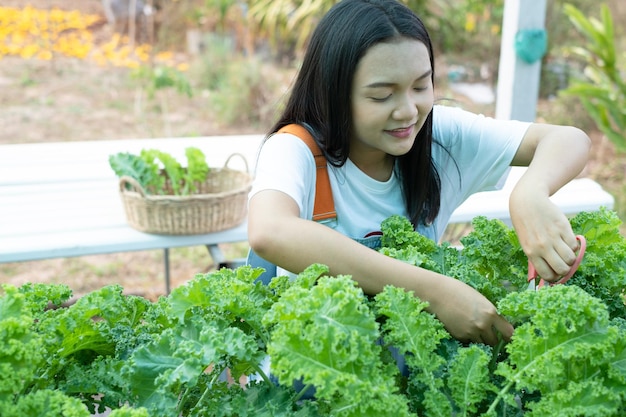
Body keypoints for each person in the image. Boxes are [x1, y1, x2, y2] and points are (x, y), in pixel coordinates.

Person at [247, 0, 591, 346]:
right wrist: (434, 292)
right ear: (333, 94)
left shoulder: (438, 136)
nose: (408, 111)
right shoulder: (295, 149)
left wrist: (530, 192)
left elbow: (568, 138)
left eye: (420, 86)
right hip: (311, 383)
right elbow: (270, 231)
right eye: (382, 96)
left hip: (414, 374)